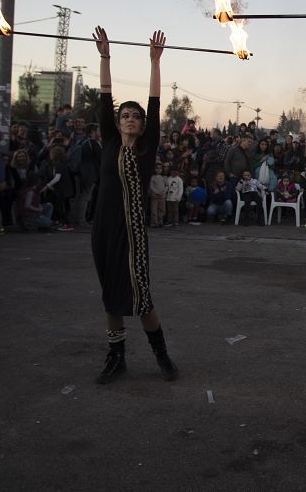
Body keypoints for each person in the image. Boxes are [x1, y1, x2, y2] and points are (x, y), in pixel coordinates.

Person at [89, 26, 177, 384]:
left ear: (142, 126)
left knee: (141, 299)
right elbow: (104, 95)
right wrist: (105, 57)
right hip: (103, 229)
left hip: (133, 233)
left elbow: (155, 102)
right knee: (111, 297)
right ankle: (116, 357)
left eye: (135, 117)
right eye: (125, 115)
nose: (130, 119)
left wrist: (154, 62)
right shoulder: (109, 142)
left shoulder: (146, 145)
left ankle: (162, 355)